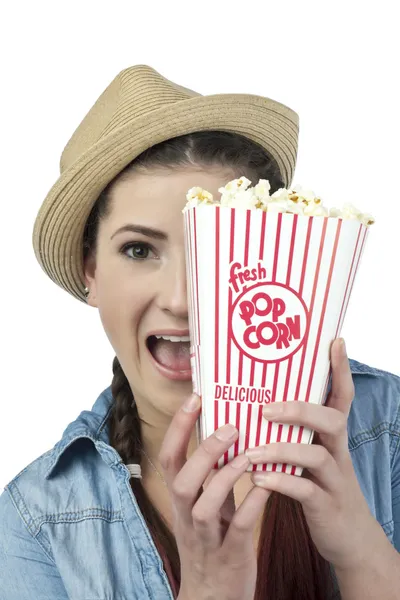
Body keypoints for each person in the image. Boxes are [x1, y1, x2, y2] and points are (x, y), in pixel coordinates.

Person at [0, 65, 399, 600]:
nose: (183, 300)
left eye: (216, 251)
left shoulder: (386, 426)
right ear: (90, 271)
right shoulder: (37, 521)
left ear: (276, 253)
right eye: (139, 250)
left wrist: (362, 553)